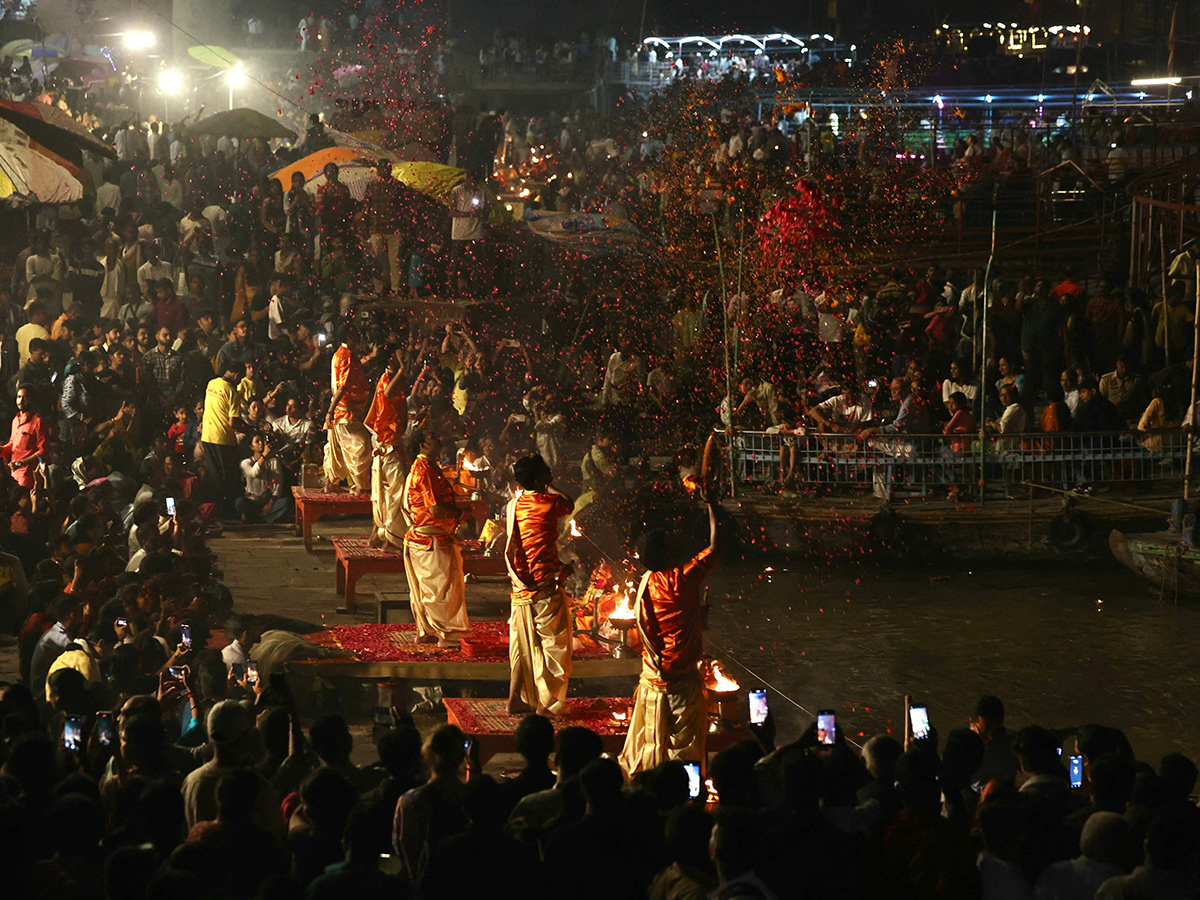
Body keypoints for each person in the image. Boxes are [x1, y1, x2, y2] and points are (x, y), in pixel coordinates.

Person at [620, 491, 719, 776]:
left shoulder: (649, 580)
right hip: (679, 682)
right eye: (670, 539)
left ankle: (652, 795)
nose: (677, 539)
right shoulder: (681, 578)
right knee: (686, 752)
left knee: (653, 749)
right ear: (667, 554)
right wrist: (712, 506)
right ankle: (689, 800)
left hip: (652, 680)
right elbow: (716, 547)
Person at [504, 453, 574, 715]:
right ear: (538, 478)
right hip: (543, 588)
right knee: (555, 647)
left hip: (520, 587)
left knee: (523, 643)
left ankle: (515, 699)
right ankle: (547, 704)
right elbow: (569, 503)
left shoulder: (514, 505)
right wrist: (549, 485)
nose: (551, 471)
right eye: (546, 470)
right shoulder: (549, 503)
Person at [401, 428, 472, 647]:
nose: (441, 444)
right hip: (431, 539)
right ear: (422, 446)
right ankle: (447, 635)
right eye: (434, 441)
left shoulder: (426, 467)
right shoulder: (425, 470)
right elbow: (435, 511)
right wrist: (460, 514)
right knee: (441, 590)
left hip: (423, 538)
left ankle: (426, 631)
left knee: (427, 588)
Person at [365, 353, 410, 549]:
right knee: (395, 493)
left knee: (383, 493)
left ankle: (378, 533)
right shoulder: (388, 379)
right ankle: (391, 538)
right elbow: (387, 394)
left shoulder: (391, 378)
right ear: (390, 358)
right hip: (389, 446)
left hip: (388, 444)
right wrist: (402, 370)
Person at [201, 360, 256, 510]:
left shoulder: (212, 383)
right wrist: (249, 429)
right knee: (227, 476)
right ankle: (226, 509)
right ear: (237, 375)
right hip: (223, 439)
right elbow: (233, 423)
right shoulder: (232, 391)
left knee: (214, 474)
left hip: (207, 436)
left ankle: (214, 508)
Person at [323, 328, 372, 493]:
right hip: (346, 411)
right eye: (357, 334)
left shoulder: (340, 352)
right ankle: (361, 486)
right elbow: (342, 387)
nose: (360, 337)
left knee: (336, 449)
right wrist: (330, 411)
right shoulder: (347, 355)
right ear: (350, 336)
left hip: (341, 409)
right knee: (360, 446)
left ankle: (331, 483)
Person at [0, 386, 50, 490]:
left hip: (29, 475)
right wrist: (2, 450)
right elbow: (12, 445)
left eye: (25, 398)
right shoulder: (16, 420)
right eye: (19, 397)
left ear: (32, 400)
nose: (21, 401)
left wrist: (21, 463)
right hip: (14, 473)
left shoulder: (38, 422)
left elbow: (43, 452)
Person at [236, 433, 291, 523]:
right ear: (251, 447)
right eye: (257, 442)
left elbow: (278, 484)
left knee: (286, 503)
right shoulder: (246, 463)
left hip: (268, 500)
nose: (261, 443)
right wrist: (264, 456)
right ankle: (264, 517)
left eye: (262, 441)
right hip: (253, 501)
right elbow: (254, 473)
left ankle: (261, 518)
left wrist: (270, 502)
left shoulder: (273, 461)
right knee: (240, 502)